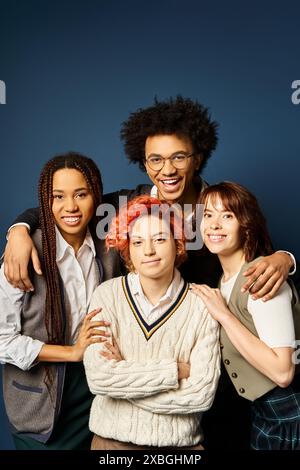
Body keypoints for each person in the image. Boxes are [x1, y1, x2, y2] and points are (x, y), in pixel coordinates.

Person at [4, 97, 296, 297]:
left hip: (218, 342)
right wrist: (18, 231)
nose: (167, 170)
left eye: (178, 157)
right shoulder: (125, 206)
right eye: (155, 160)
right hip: (148, 340)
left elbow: (263, 254)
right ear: (143, 163)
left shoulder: (225, 204)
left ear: (198, 159)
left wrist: (286, 259)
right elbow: (69, 207)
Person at [83, 195, 220, 449]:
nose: (148, 250)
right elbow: (99, 379)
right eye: (137, 242)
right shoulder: (107, 295)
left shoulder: (203, 304)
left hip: (181, 449)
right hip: (111, 446)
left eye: (159, 239)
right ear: (127, 249)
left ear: (178, 244)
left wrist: (121, 383)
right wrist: (173, 372)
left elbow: (201, 396)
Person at [0, 152, 114, 450]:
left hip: (100, 395)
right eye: (58, 196)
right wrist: (72, 352)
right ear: (45, 201)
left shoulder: (110, 244)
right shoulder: (22, 254)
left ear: (96, 196)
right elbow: (1, 340)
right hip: (39, 405)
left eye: (81, 194)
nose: (70, 207)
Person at [191, 181, 300, 450]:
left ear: (246, 224)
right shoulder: (222, 280)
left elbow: (283, 372)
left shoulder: (261, 278)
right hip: (264, 414)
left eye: (227, 215)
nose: (214, 224)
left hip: (290, 416)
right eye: (208, 214)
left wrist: (225, 316)